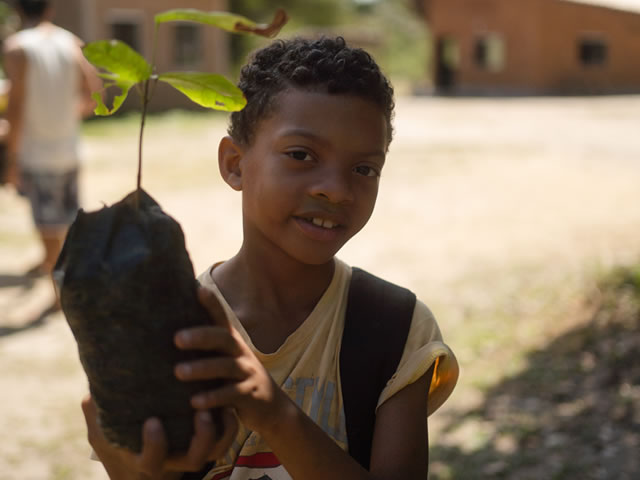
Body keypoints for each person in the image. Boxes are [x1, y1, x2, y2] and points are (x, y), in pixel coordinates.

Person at [81, 36, 459, 480]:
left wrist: (273, 413)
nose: (335, 189)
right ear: (235, 164)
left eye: (364, 169)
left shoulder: (397, 329)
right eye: (301, 155)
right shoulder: (170, 332)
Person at [2, 0, 99, 275]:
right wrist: (63, 116)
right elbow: (94, 96)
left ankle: (59, 295)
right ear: (50, 9)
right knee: (68, 224)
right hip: (69, 150)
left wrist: (11, 159)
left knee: (47, 230)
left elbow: (16, 107)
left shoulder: (17, 47)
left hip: (37, 155)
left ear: (18, 11)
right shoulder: (71, 43)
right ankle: (59, 277)